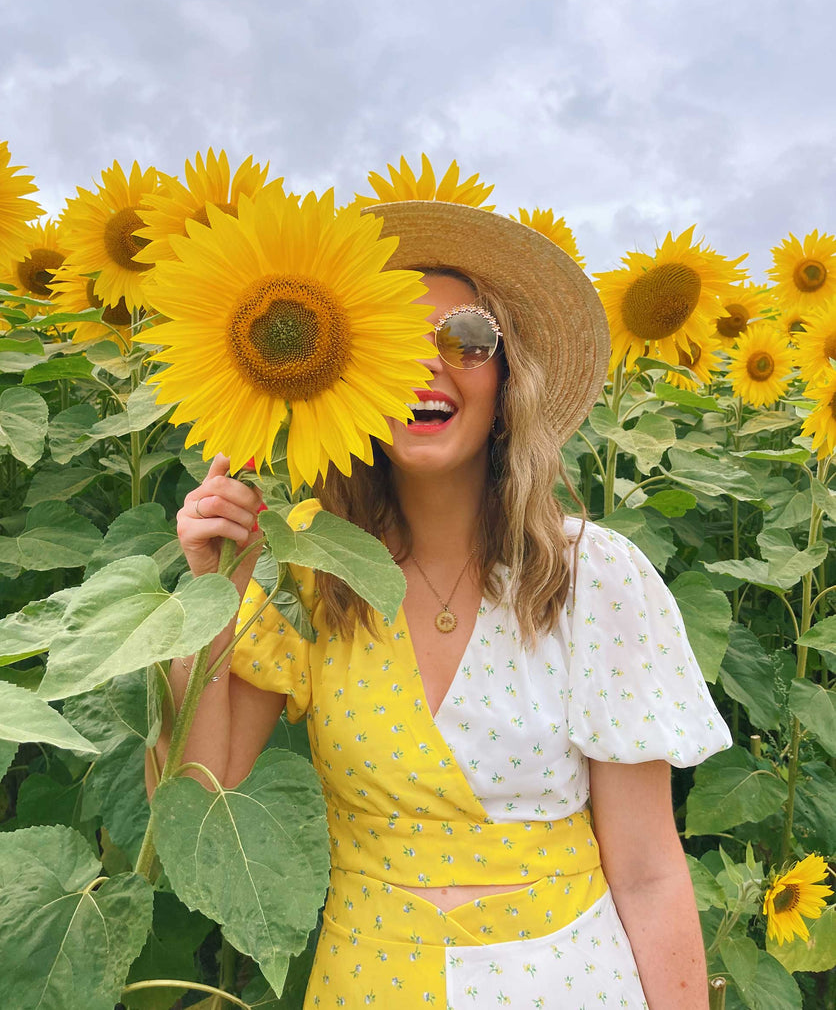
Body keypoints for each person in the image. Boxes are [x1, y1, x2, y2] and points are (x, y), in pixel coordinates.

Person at [157, 200, 731, 1009]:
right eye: (394, 339)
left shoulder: (587, 573)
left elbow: (647, 869)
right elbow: (203, 788)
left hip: (568, 980)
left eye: (466, 338)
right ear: (350, 374)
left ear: (508, 375)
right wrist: (212, 590)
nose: (427, 365)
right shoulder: (307, 568)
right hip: (371, 982)